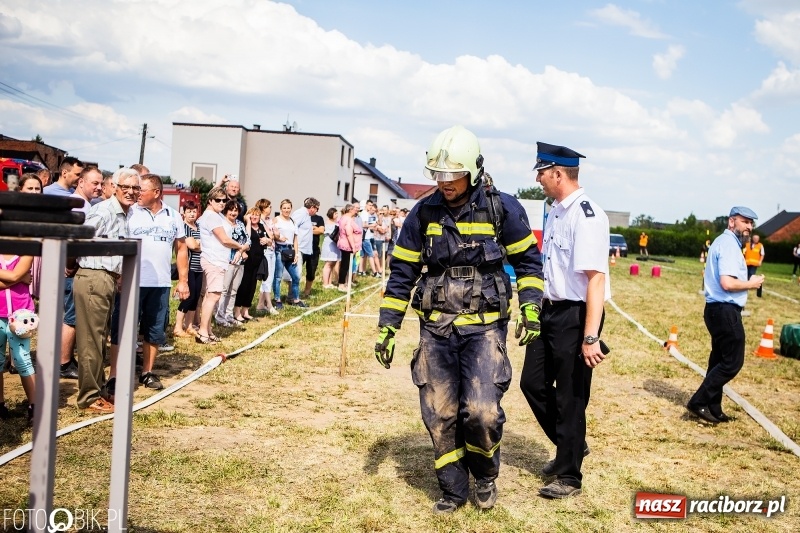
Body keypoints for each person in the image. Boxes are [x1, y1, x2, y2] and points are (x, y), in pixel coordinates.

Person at [375, 125, 544, 514]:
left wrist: (531, 306)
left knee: (481, 412)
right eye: (439, 174)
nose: (444, 182)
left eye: (453, 174)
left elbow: (529, 263)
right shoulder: (424, 212)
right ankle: (453, 489)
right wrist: (388, 326)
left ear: (473, 171)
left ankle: (484, 476)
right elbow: (402, 273)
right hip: (436, 329)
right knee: (440, 413)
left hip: (484, 329)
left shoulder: (503, 209)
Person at [519, 142, 611, 500]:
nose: (538, 179)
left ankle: (569, 475)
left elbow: (595, 280)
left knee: (572, 396)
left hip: (576, 314)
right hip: (550, 309)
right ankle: (570, 443)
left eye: (541, 172)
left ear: (558, 173)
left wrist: (590, 337)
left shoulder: (586, 215)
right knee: (531, 383)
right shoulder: (557, 210)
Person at [73, 168, 141, 413]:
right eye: (126, 187)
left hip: (106, 278)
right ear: (114, 187)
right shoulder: (104, 211)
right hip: (94, 277)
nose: (130, 192)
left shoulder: (124, 213)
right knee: (91, 340)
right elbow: (78, 238)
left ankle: (98, 390)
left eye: (135, 188)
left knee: (99, 339)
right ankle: (89, 397)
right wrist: (71, 265)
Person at [687, 206, 764, 424]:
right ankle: (699, 401)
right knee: (732, 362)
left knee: (718, 360)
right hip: (725, 310)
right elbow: (727, 283)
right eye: (745, 221)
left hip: (717, 310)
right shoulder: (729, 244)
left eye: (751, 223)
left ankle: (713, 407)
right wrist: (751, 283)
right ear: (732, 222)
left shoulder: (724, 242)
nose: (749, 227)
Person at [125, 174, 189, 390]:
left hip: (160, 283)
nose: (137, 193)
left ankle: (147, 372)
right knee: (126, 327)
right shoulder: (130, 212)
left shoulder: (173, 216)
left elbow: (181, 249)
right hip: (132, 281)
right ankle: (121, 371)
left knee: (154, 330)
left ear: (156, 192)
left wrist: (183, 281)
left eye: (141, 190)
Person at [196, 187, 248, 344]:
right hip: (214, 261)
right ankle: (202, 332)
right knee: (213, 296)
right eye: (217, 200)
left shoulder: (214, 215)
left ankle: (207, 330)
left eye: (224, 200)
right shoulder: (211, 216)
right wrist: (240, 247)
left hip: (216, 260)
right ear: (210, 201)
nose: (222, 203)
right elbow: (224, 239)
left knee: (210, 296)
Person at [0, 252, 37, 422]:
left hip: (21, 315)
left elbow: (14, 274)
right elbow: (17, 276)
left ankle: (34, 407)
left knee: (23, 359)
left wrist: (16, 277)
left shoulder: (25, 251)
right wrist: (21, 278)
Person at [214, 200, 250, 325]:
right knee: (224, 290)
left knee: (233, 290)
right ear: (226, 210)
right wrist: (240, 249)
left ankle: (229, 315)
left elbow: (248, 241)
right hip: (227, 261)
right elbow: (225, 241)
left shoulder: (240, 223)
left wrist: (241, 251)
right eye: (231, 210)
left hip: (240, 262)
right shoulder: (222, 224)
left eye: (236, 210)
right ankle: (219, 316)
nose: (233, 213)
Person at [174, 201, 202, 337]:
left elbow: (202, 244)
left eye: (194, 211)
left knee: (195, 298)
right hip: (189, 267)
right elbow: (192, 245)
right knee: (188, 297)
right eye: (189, 211)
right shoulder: (184, 227)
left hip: (199, 268)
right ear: (184, 213)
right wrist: (200, 244)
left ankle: (189, 325)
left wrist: (199, 244)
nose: (192, 214)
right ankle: (178, 327)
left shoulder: (198, 227)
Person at [233, 207, 267, 322]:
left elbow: (270, 238)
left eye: (257, 215)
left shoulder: (261, 227)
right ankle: (237, 311)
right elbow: (247, 238)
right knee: (243, 285)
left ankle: (245, 310)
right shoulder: (244, 226)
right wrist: (247, 222)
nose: (254, 217)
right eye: (252, 214)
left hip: (257, 260)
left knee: (252, 286)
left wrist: (267, 240)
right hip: (247, 260)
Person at [272, 199, 306, 308]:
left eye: (288, 208)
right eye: (284, 208)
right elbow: (271, 234)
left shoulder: (292, 221)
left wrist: (296, 254)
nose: (286, 210)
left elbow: (295, 239)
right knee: (278, 277)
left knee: (296, 277)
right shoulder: (276, 220)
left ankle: (296, 299)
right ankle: (277, 299)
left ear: (291, 208)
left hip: (290, 250)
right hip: (279, 249)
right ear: (281, 209)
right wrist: (279, 238)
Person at [291, 197, 324, 299]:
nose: (316, 211)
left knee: (301, 273)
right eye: (317, 208)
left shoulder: (306, 215)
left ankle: (294, 296)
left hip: (306, 248)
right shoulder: (301, 213)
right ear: (312, 207)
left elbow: (320, 230)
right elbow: (292, 228)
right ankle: (293, 297)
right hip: (299, 248)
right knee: (297, 274)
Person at [254, 199, 279, 315]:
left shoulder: (269, 220)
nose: (270, 208)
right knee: (267, 278)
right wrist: (272, 234)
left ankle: (260, 304)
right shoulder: (260, 221)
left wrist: (273, 234)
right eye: (269, 206)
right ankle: (269, 304)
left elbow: (276, 235)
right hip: (265, 251)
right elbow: (271, 235)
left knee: (270, 277)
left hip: (272, 249)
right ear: (263, 208)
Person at [336, 202, 362, 292]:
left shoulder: (343, 218)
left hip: (344, 244)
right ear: (350, 210)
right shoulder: (348, 220)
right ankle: (341, 284)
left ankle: (346, 283)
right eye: (354, 209)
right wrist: (353, 247)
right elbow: (349, 233)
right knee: (345, 265)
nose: (356, 211)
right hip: (347, 245)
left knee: (346, 265)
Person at [320, 207, 341, 288]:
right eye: (335, 213)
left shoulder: (336, 223)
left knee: (332, 263)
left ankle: (329, 282)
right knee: (328, 263)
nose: (337, 215)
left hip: (336, 245)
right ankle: (325, 283)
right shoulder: (327, 223)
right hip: (329, 244)